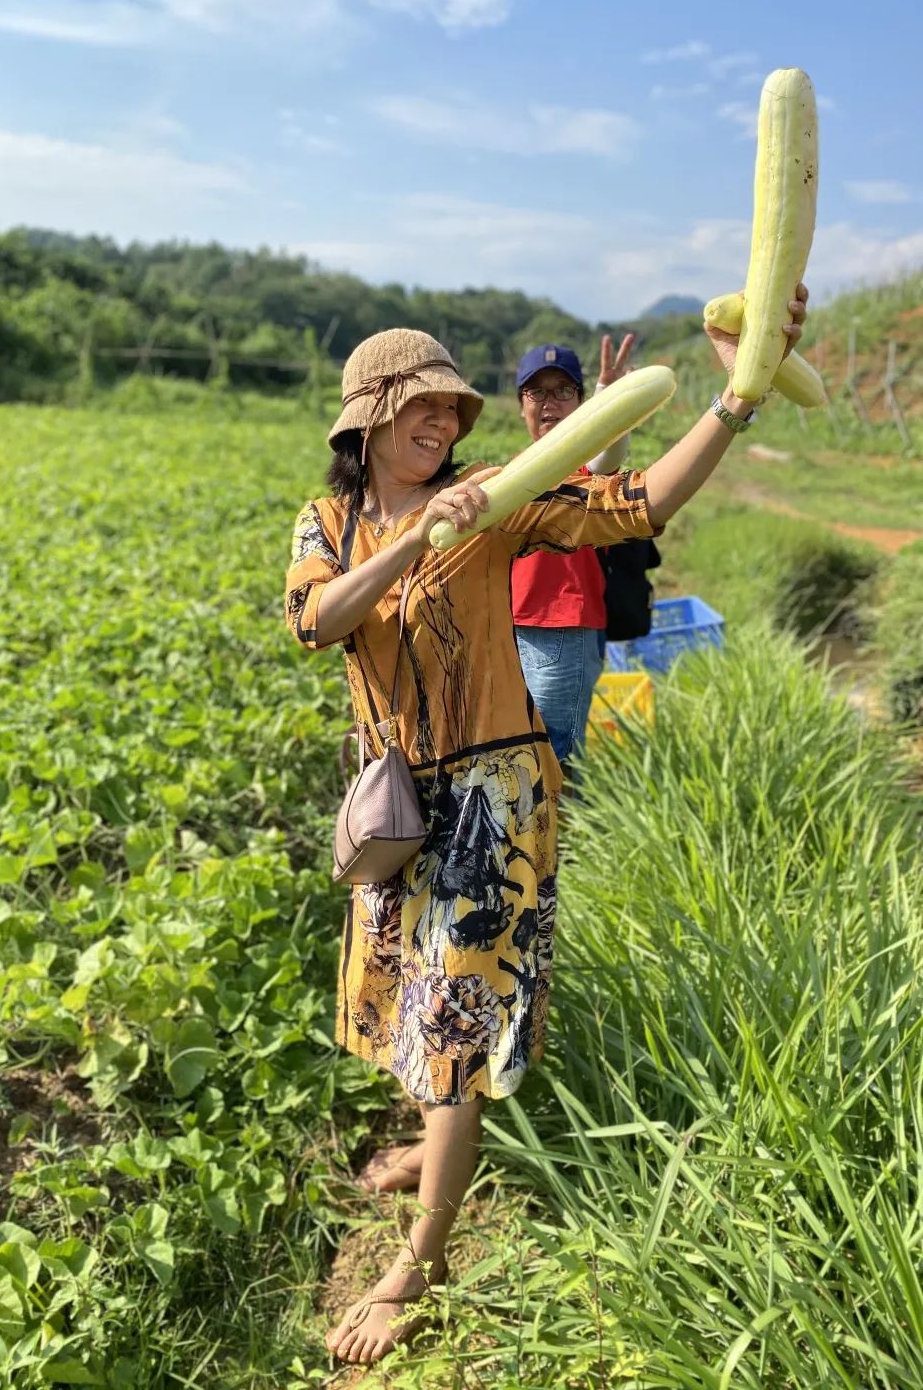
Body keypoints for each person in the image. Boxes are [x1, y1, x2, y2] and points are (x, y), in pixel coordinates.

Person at [284, 291, 807, 1367]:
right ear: (367, 420)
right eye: (420, 407)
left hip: (492, 794)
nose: (443, 425)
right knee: (401, 994)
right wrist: (413, 544)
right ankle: (427, 1149)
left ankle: (418, 1265)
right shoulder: (326, 523)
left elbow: (638, 504)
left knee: (457, 1020)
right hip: (397, 801)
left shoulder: (500, 502)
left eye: (452, 409)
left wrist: (736, 399)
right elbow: (316, 620)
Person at [510, 335, 638, 772]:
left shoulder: (583, 467)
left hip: (563, 626)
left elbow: (609, 454)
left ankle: (561, 839)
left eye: (563, 390)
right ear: (521, 404)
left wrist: (611, 401)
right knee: (523, 749)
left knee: (554, 755)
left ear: (581, 402)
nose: (550, 402)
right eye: (537, 391)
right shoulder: (518, 466)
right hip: (515, 625)